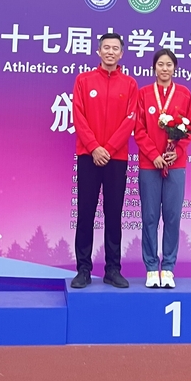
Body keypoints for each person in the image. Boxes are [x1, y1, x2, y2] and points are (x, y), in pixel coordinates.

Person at [71, 32, 138, 289]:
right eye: (106, 48)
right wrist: (94, 148)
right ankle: (83, 270)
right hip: (88, 156)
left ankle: (113, 269)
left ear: (122, 54)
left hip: (116, 157)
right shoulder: (83, 80)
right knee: (85, 213)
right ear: (98, 51)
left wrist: (108, 148)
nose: (110, 52)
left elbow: (130, 120)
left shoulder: (130, 84)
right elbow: (78, 116)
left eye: (115, 48)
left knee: (113, 214)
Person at [134, 49, 191, 288]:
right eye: (160, 64)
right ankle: (151, 268)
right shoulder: (143, 94)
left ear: (175, 68)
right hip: (149, 165)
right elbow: (138, 129)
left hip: (175, 165)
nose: (164, 68)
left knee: (172, 217)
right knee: (149, 217)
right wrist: (154, 155)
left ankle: (168, 268)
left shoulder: (184, 94)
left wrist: (176, 152)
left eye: (169, 64)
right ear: (154, 67)